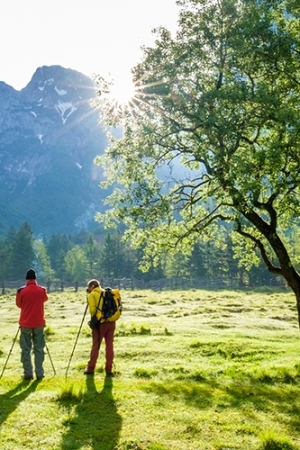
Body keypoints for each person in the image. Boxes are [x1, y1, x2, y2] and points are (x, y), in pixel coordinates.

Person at [16, 268, 48, 380]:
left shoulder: (21, 291)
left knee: (25, 349)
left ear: (26, 279)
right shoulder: (42, 290)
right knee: (39, 348)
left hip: (25, 323)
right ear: (35, 278)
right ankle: (40, 373)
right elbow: (45, 299)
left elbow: (19, 305)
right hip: (39, 322)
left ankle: (28, 373)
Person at [85, 279, 115, 376]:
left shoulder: (92, 295)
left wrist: (89, 301)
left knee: (96, 346)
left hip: (100, 324)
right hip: (111, 322)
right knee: (109, 346)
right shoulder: (106, 293)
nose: (88, 289)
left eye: (89, 287)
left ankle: (90, 368)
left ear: (92, 286)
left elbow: (93, 311)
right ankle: (109, 369)